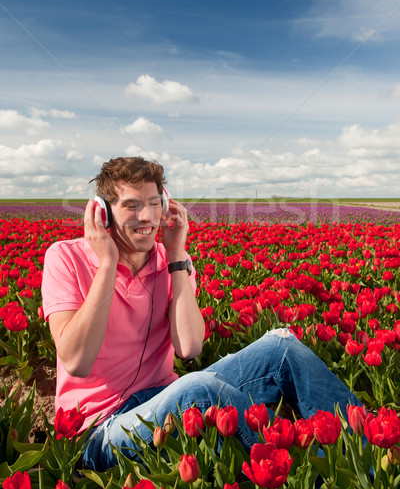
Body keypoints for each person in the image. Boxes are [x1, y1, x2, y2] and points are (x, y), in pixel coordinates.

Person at [42, 156, 362, 472]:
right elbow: (77, 361)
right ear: (103, 212)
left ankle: (366, 456)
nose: (147, 216)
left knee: (282, 346)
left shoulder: (173, 262)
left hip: (164, 399)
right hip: (100, 430)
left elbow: (189, 347)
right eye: (131, 205)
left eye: (154, 203)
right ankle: (299, 480)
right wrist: (107, 264)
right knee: (201, 389)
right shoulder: (66, 257)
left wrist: (177, 254)